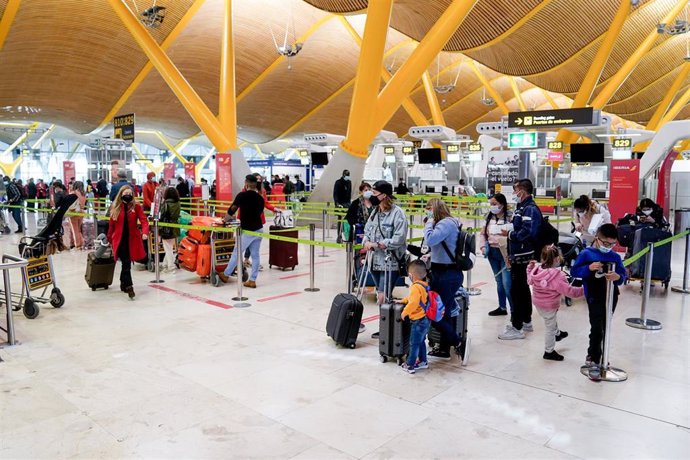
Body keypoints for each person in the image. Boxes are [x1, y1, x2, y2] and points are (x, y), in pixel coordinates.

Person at [571, 224, 627, 380]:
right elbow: (574, 271)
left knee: (605, 325)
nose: (608, 247)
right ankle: (595, 358)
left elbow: (623, 275)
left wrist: (618, 277)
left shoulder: (615, 257)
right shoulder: (586, 254)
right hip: (594, 296)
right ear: (597, 238)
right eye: (605, 243)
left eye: (612, 244)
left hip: (611, 296)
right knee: (597, 326)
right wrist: (588, 268)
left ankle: (598, 355)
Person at [363, 180, 407, 338]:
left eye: (375, 193)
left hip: (390, 262)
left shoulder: (398, 214)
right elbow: (367, 230)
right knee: (380, 295)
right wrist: (367, 242)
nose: (372, 196)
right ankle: (385, 326)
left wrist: (379, 244)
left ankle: (387, 329)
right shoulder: (375, 212)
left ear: (384, 195)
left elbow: (399, 239)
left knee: (383, 296)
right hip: (374, 261)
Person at [499, 179, 542, 340]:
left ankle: (517, 326)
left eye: (515, 190)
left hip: (523, 255)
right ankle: (526, 320)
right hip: (517, 254)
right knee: (522, 288)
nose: (514, 194)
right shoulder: (521, 207)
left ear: (522, 191)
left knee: (516, 290)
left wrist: (509, 234)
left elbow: (528, 232)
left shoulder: (530, 209)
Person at [527, 245, 584, 361]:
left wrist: (529, 268)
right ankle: (549, 351)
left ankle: (557, 334)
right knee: (550, 328)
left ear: (542, 258)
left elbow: (529, 280)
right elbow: (570, 292)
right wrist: (585, 290)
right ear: (557, 259)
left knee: (550, 321)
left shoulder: (536, 270)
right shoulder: (557, 276)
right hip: (549, 306)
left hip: (538, 303)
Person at [423, 198, 463, 359]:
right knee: (443, 311)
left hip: (447, 274)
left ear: (436, 209)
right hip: (442, 271)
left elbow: (430, 239)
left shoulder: (446, 223)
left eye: (429, 209)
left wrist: (428, 223)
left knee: (435, 313)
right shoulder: (447, 223)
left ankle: (457, 341)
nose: (427, 212)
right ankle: (445, 348)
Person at [218, 175, 265, 288]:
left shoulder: (242, 196)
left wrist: (225, 220)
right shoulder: (260, 198)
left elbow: (232, 209)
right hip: (259, 229)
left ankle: (225, 274)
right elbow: (259, 212)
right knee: (255, 255)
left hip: (248, 231)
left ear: (247, 183)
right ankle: (252, 280)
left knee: (237, 252)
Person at [107, 186, 149, 299]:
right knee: (126, 262)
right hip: (119, 240)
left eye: (130, 193)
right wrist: (109, 238)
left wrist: (145, 232)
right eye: (126, 193)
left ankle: (123, 282)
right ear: (121, 194)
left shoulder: (137, 207)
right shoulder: (116, 207)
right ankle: (129, 287)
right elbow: (111, 225)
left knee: (126, 263)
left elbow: (144, 220)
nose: (128, 195)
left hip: (132, 239)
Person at [481, 193, 513, 317]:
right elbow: (482, 234)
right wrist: (483, 246)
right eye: (491, 204)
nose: (492, 207)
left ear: (502, 204)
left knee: (507, 283)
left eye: (494, 204)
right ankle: (502, 307)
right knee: (499, 281)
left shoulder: (510, 216)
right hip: (492, 253)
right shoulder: (488, 217)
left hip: (505, 252)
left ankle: (514, 310)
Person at [399, 260, 432, 374]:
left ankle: (410, 365)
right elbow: (414, 299)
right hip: (426, 319)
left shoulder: (414, 287)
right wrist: (402, 301)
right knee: (421, 341)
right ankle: (423, 361)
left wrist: (404, 312)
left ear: (410, 275)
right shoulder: (424, 286)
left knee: (414, 343)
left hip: (418, 320)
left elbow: (413, 303)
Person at [158, 186, 181, 273]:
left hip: (166, 228)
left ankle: (171, 267)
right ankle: (164, 265)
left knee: (168, 248)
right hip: (175, 226)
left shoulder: (165, 204)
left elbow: (162, 215)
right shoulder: (178, 203)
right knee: (169, 247)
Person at [333, 169, 352, 244]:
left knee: (348, 220)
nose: (348, 176)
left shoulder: (349, 182)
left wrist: (349, 203)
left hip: (347, 203)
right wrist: (337, 203)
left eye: (348, 175)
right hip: (340, 203)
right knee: (340, 220)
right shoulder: (338, 182)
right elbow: (335, 194)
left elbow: (349, 193)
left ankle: (348, 235)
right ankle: (339, 235)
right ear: (343, 175)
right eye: (347, 175)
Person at [68, 181, 87, 250]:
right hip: (81, 212)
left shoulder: (74, 193)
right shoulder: (83, 194)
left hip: (74, 213)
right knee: (78, 229)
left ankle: (77, 245)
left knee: (74, 230)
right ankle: (82, 243)